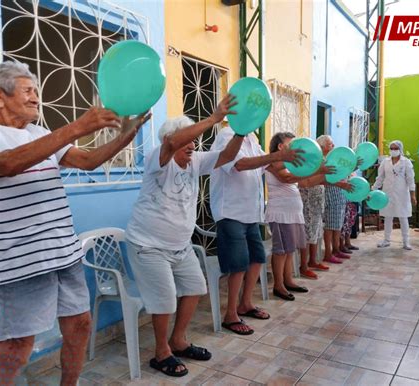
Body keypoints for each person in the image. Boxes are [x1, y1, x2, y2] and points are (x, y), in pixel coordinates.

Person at [0, 61, 149, 385]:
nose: (36, 98)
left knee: (80, 324)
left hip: (63, 251)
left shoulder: (40, 134)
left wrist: (128, 134)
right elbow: (8, 163)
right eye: (28, 91)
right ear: (1, 97)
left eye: (36, 91)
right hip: (20, 259)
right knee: (18, 345)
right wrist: (77, 126)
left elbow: (88, 160)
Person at [125, 95, 241, 377]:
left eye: (193, 140)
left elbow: (226, 156)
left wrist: (241, 129)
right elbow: (172, 143)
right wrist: (213, 119)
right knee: (165, 299)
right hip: (148, 246)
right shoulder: (158, 157)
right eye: (186, 140)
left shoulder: (196, 161)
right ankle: (161, 352)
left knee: (195, 288)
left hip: (180, 246)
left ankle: (178, 340)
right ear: (171, 141)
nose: (192, 145)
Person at [209, 125, 302, 335]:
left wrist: (301, 161)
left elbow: (268, 164)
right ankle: (230, 315)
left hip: (250, 212)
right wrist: (278, 155)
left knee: (257, 259)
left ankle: (246, 304)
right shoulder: (227, 135)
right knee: (239, 264)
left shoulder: (252, 138)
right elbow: (240, 164)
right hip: (231, 211)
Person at [265, 132, 330, 298]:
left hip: (293, 213)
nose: (296, 148)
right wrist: (317, 169)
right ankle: (278, 285)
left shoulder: (289, 164)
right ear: (280, 147)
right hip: (280, 213)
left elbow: (306, 182)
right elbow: (287, 179)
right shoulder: (273, 162)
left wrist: (325, 173)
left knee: (289, 249)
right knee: (280, 251)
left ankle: (288, 281)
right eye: (291, 144)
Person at [373, 140, 416, 250]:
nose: (393, 150)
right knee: (388, 216)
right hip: (387, 193)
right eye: (391, 148)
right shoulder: (385, 162)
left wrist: (413, 195)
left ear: (400, 149)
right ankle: (386, 240)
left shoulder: (406, 162)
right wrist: (374, 189)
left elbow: (410, 179)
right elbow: (380, 177)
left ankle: (406, 241)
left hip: (402, 193)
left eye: (395, 148)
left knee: (403, 216)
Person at [317, 135, 353, 264]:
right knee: (330, 226)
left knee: (337, 224)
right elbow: (324, 179)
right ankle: (328, 252)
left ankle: (336, 249)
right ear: (322, 147)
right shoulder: (321, 161)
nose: (333, 146)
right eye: (330, 144)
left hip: (339, 193)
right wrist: (339, 184)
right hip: (329, 194)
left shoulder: (334, 158)